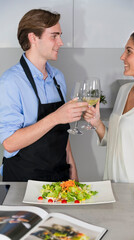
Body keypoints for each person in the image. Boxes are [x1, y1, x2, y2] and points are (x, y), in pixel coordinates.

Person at [0, 9, 88, 182]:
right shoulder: (11, 81)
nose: (61, 42)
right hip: (24, 180)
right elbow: (10, 143)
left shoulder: (58, 77)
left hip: (60, 179)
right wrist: (56, 117)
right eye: (54, 36)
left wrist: (74, 176)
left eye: (60, 36)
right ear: (33, 38)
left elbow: (63, 134)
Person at [84, 29, 134, 183]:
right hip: (111, 188)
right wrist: (97, 123)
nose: (122, 57)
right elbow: (116, 141)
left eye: (129, 51)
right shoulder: (124, 91)